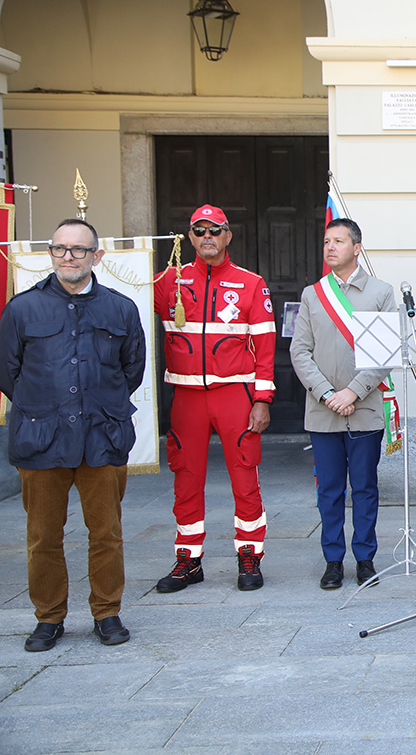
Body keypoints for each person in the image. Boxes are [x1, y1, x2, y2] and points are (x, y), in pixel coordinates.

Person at [0, 219, 144, 651]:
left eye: (78, 250)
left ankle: (107, 612)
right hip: (42, 441)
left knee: (107, 533)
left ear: (96, 256)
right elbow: (8, 373)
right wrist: (45, 408)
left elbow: (131, 369)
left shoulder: (120, 308)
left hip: (102, 436)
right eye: (60, 248)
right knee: (43, 536)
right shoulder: (22, 309)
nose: (68, 256)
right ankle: (49, 617)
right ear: (50, 253)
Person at [154, 205, 276, 591]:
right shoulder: (168, 282)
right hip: (186, 397)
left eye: (215, 230)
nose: (207, 236)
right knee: (186, 478)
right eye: (199, 230)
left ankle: (249, 556)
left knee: (244, 477)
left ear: (228, 236)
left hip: (234, 394)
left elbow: (267, 345)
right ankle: (188, 560)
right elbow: (125, 301)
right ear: (189, 237)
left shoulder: (251, 283)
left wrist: (263, 399)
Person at [290, 218, 396, 590]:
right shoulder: (312, 294)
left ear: (357, 247)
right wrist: (326, 394)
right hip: (323, 412)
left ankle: (365, 557)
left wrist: (352, 391)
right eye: (326, 241)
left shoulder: (381, 292)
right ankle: (333, 560)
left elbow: (384, 352)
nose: (330, 247)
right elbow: (299, 351)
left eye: (338, 241)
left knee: (365, 487)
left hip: (364, 409)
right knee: (329, 489)